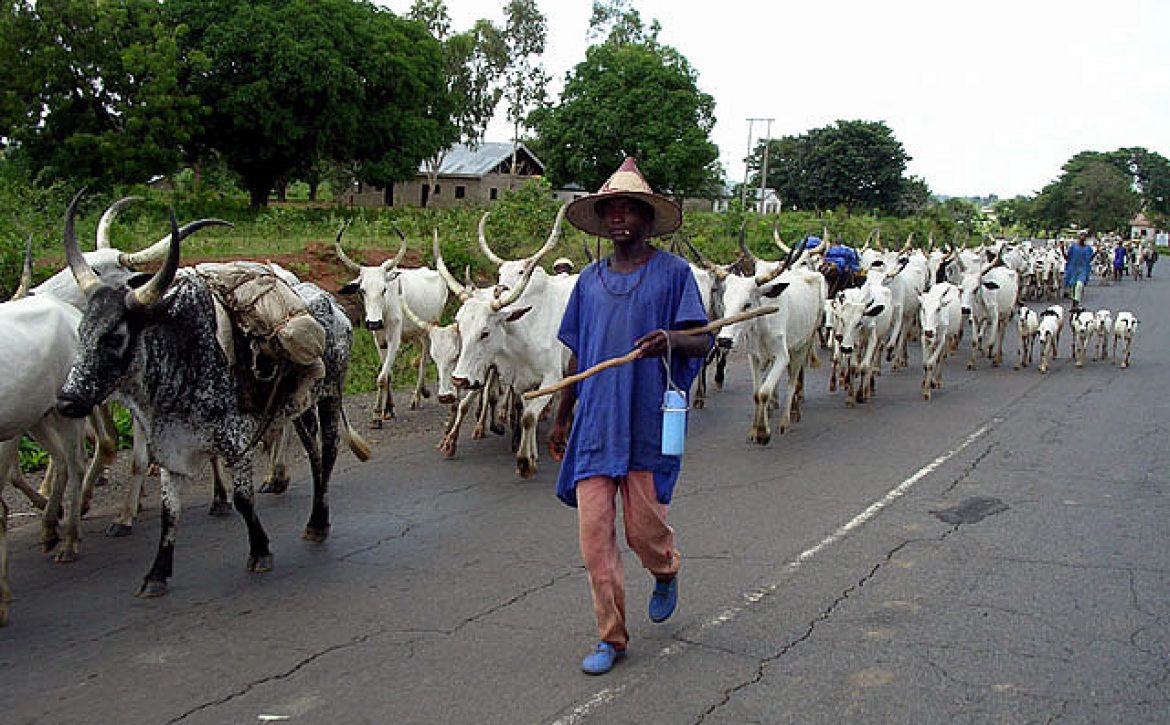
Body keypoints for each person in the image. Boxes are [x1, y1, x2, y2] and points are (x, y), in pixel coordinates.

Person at [548, 157, 711, 676]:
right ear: (602, 220)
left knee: (643, 531)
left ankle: (665, 569)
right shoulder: (589, 283)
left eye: (628, 210)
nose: (619, 218)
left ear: (645, 218)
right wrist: (561, 414)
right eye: (610, 211)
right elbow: (579, 352)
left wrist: (670, 338)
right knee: (596, 542)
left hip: (644, 421)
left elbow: (702, 337)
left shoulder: (673, 275)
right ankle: (610, 637)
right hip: (595, 424)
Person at [1063, 231, 1094, 310]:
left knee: (1079, 285)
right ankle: (1074, 304)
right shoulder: (1073, 247)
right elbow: (1067, 258)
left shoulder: (1088, 249)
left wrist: (1096, 252)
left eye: (1084, 236)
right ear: (1078, 237)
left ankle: (1077, 303)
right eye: (1081, 235)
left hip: (1083, 270)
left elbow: (1090, 259)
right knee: (1073, 287)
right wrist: (1062, 250)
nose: (1082, 237)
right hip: (1073, 270)